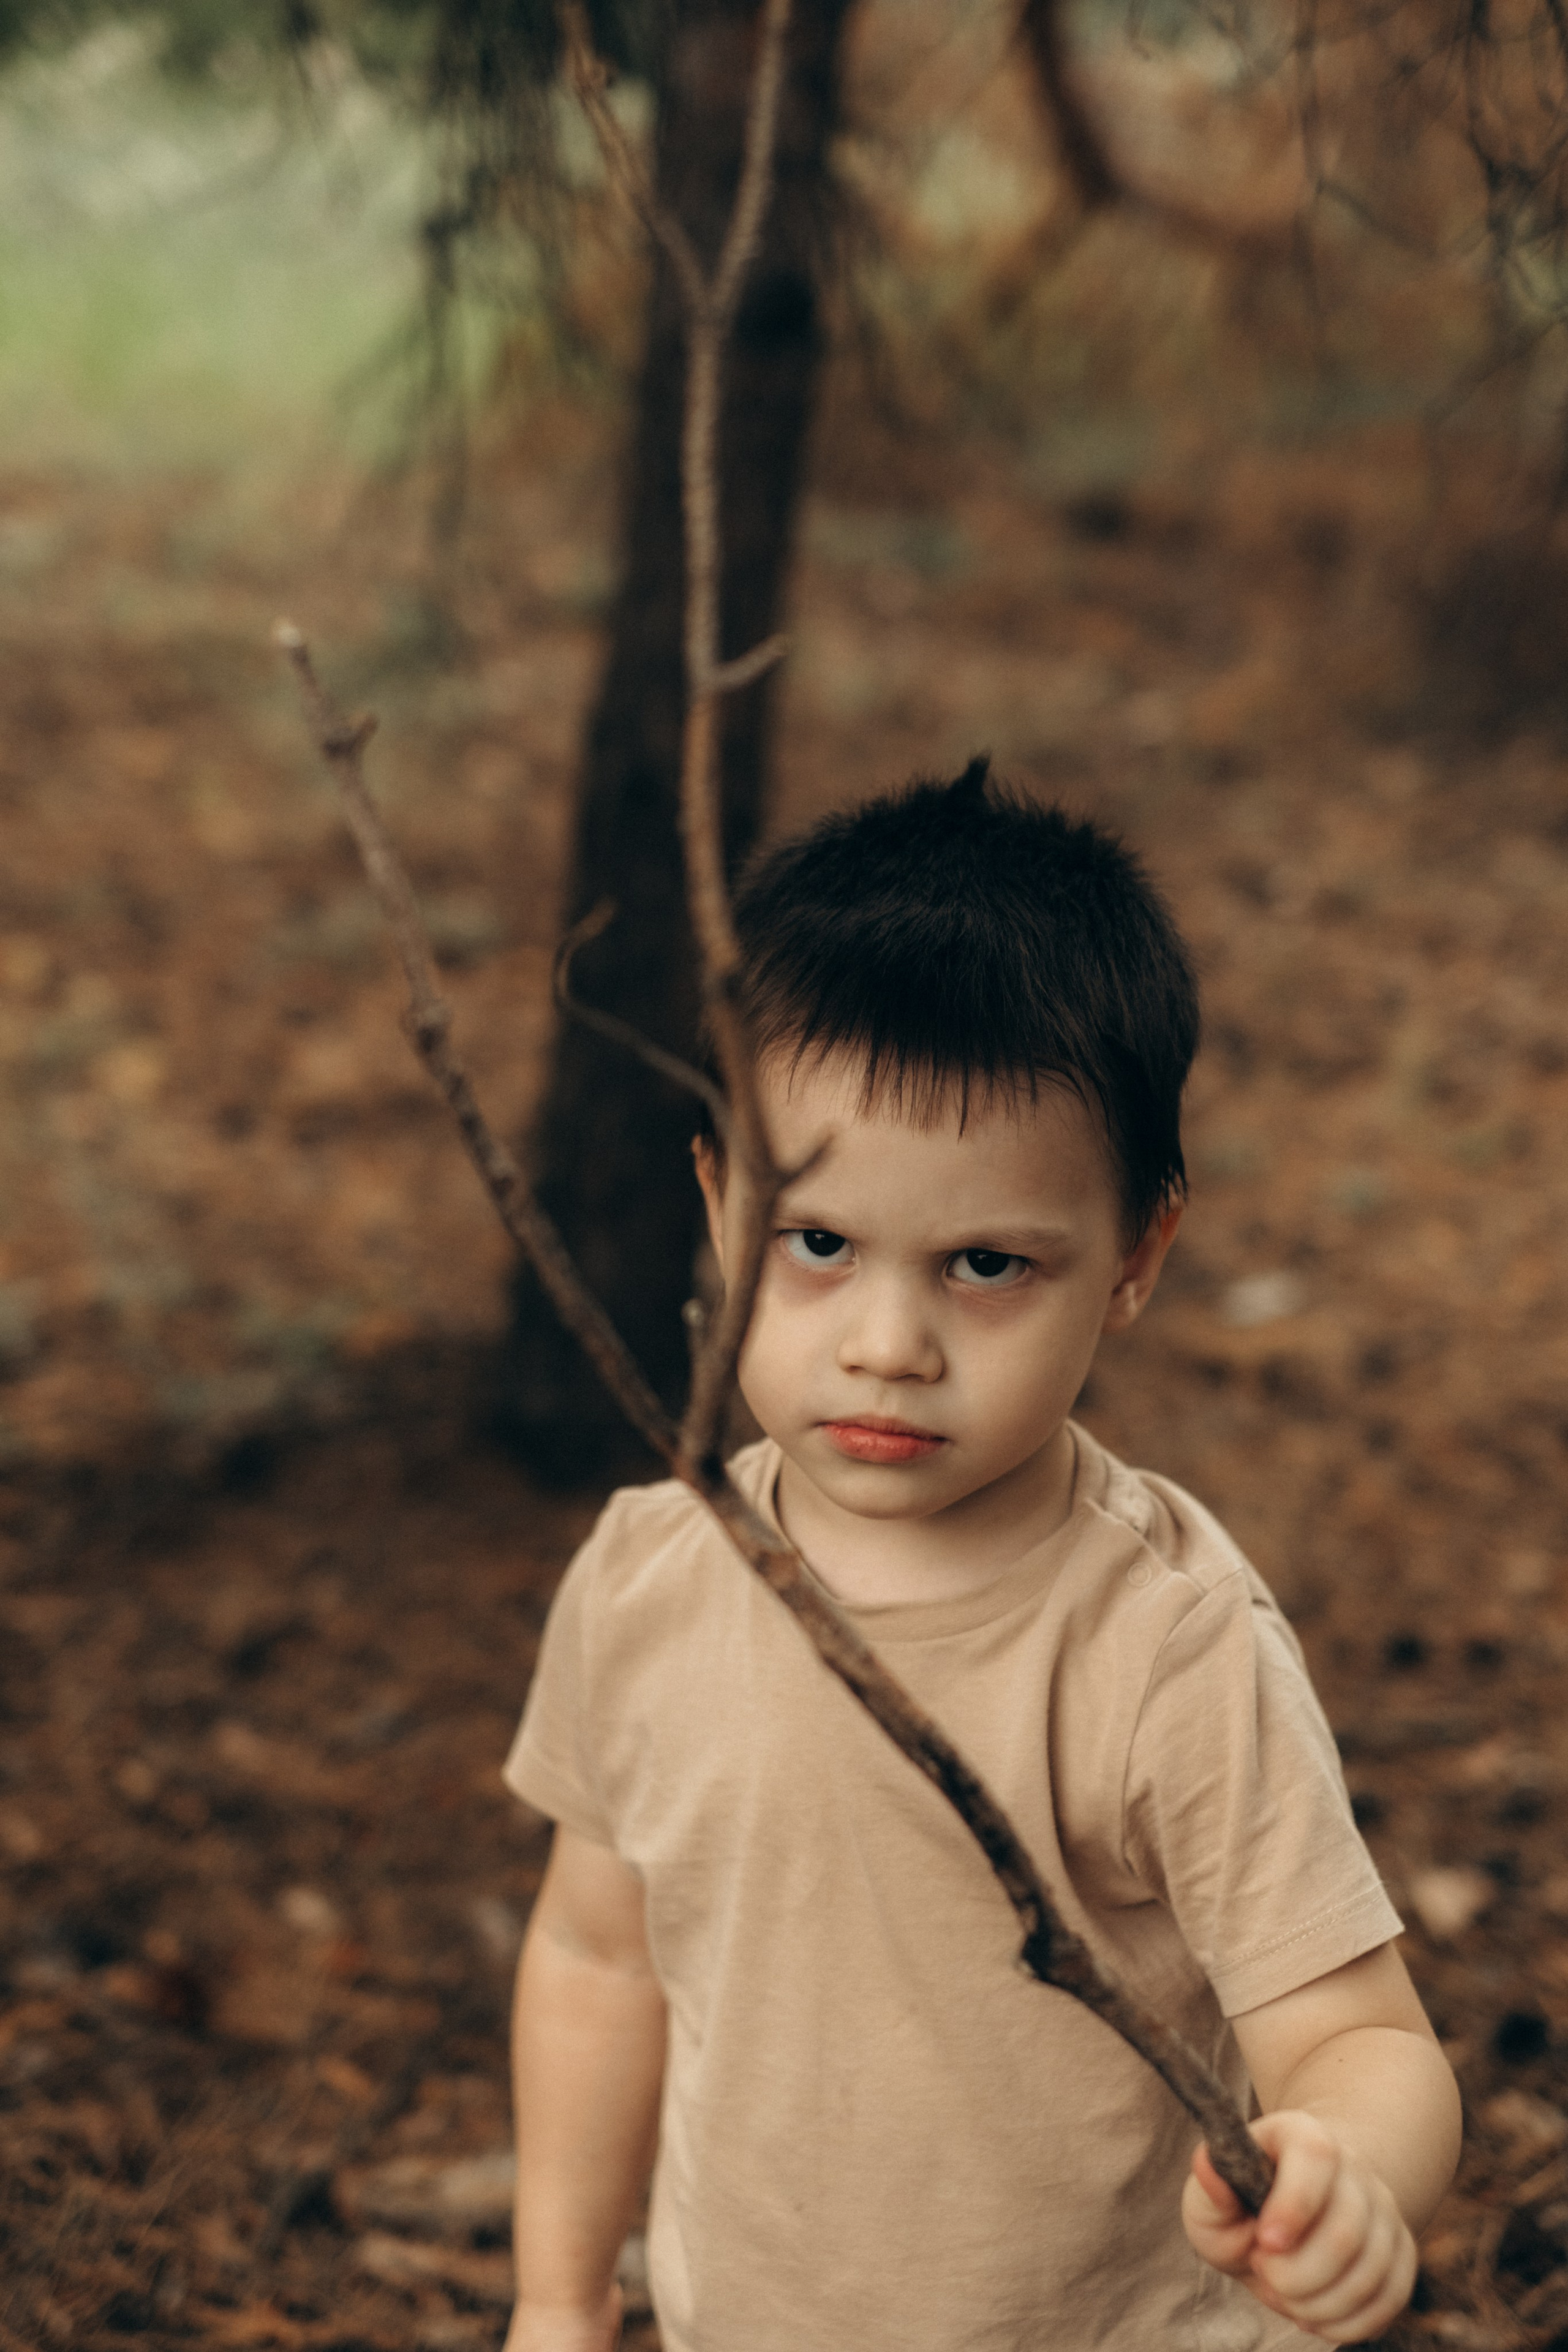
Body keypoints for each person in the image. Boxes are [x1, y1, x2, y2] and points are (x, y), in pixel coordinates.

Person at [500, 761, 1460, 2352]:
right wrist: (559, 2297)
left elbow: (1358, 2035)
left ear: (1136, 1258)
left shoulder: (1164, 1648)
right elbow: (598, 1959)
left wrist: (1349, 2167)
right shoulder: (648, 1581)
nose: (890, 1345)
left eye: (988, 1265)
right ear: (720, 1203)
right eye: (818, 1244)